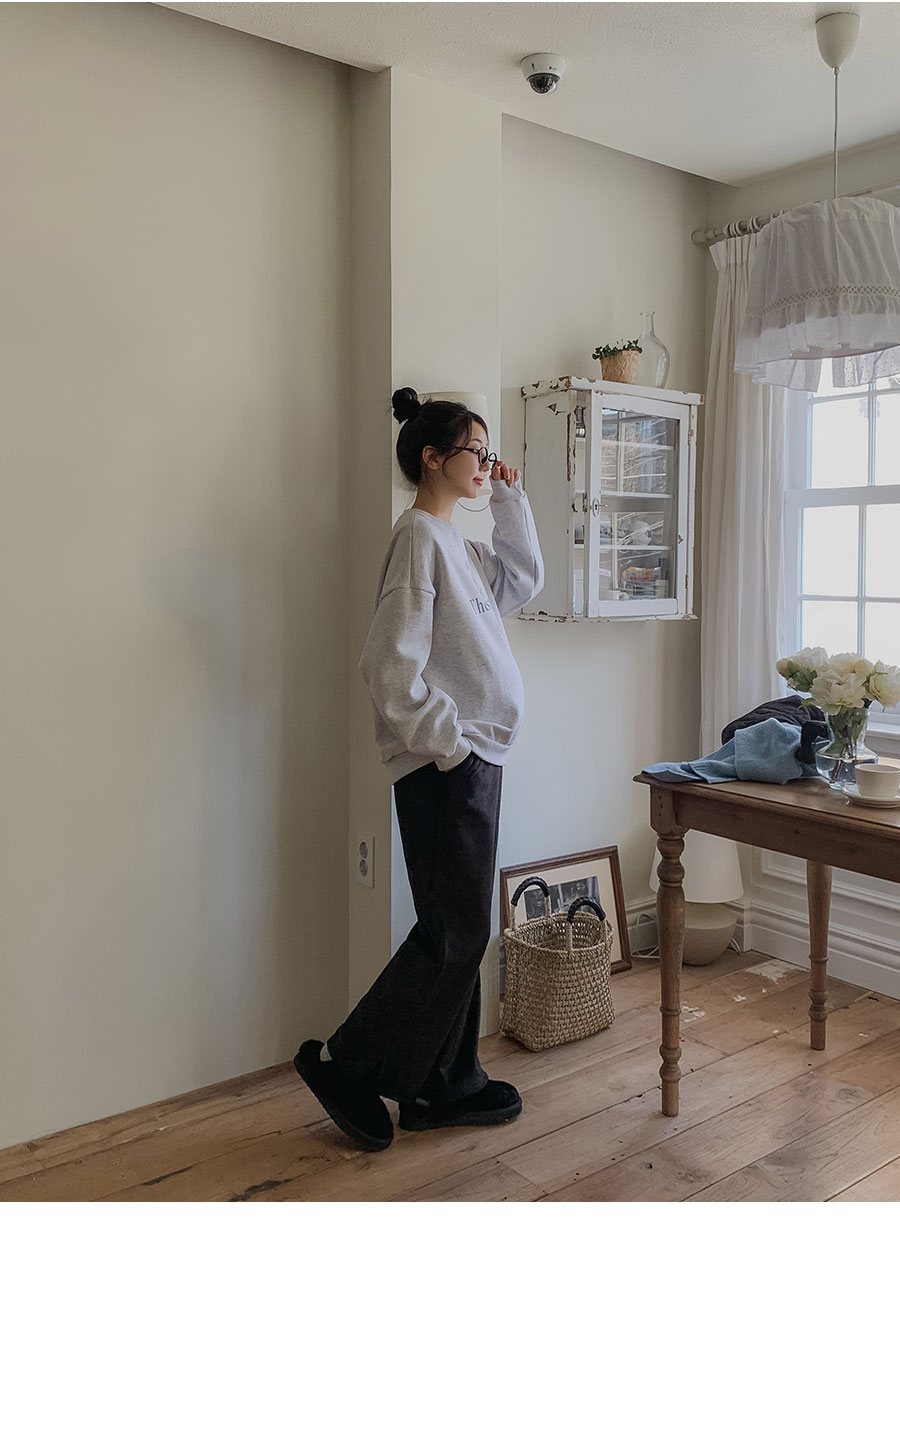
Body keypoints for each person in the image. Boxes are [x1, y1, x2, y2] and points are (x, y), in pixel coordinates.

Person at [294, 387, 544, 1151]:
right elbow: (387, 666)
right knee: (455, 930)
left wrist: (510, 500)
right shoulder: (417, 540)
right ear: (433, 458)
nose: (485, 462)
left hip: (472, 758)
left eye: (488, 451)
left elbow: (521, 580)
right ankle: (347, 1064)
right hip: (448, 762)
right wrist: (450, 743)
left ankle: (445, 1084)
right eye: (475, 451)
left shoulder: (454, 544)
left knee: (460, 928)